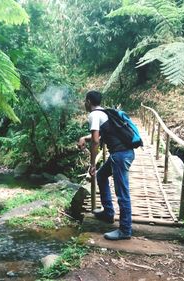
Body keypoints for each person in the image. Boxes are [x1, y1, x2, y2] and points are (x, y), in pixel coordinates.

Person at [77, 90, 135, 240]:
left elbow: (96, 141)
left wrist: (92, 165)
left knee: (122, 194)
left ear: (88, 101)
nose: (84, 103)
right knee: (102, 176)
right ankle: (108, 213)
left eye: (85, 101)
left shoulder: (94, 115)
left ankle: (125, 230)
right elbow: (100, 135)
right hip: (123, 153)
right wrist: (84, 137)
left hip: (120, 156)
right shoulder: (104, 113)